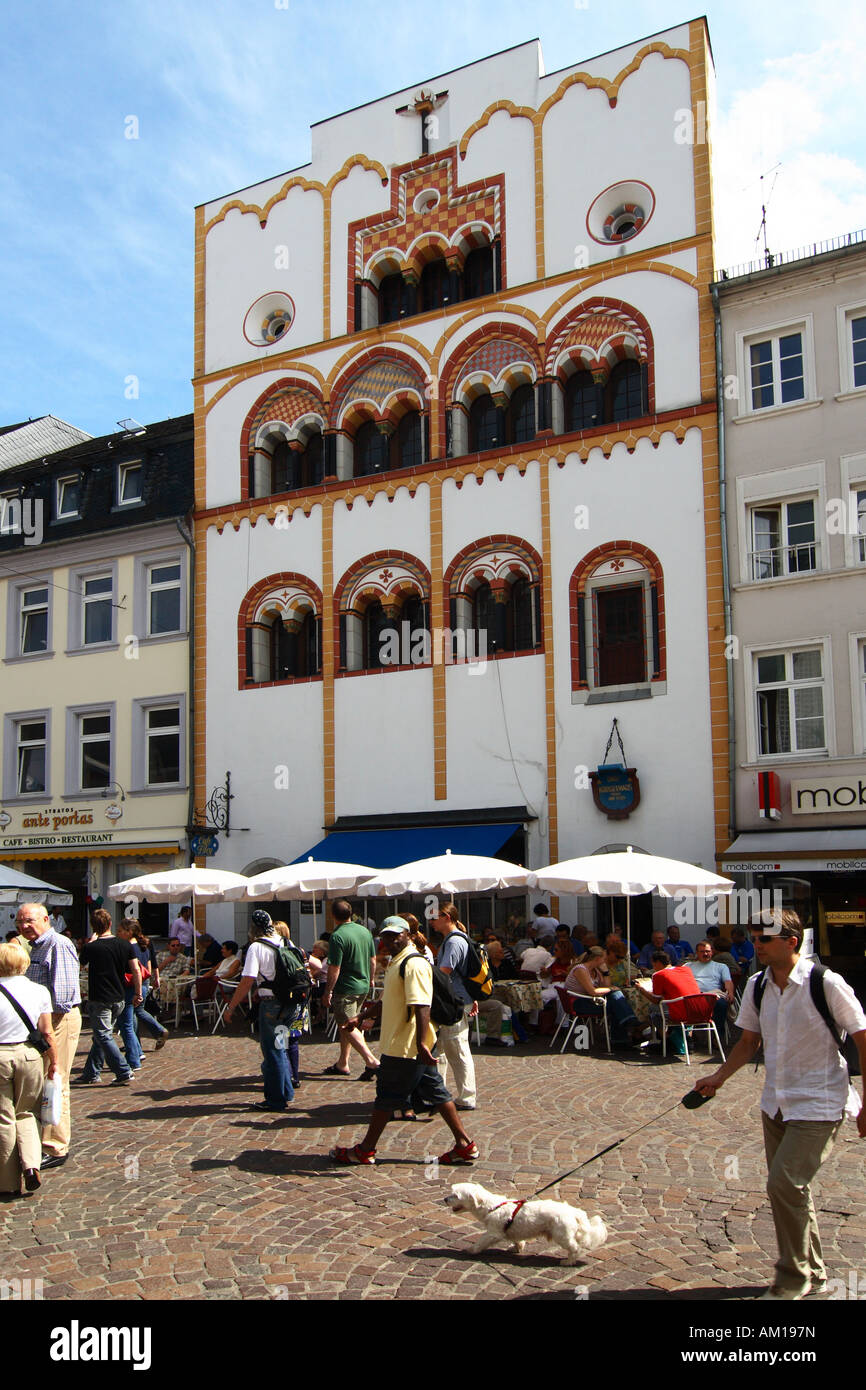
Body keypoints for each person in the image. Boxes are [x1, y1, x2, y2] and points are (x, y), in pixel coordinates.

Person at [696, 909, 866, 1301]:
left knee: (784, 1184)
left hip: (821, 1101)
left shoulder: (826, 982)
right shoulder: (757, 985)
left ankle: (792, 1279)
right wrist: (716, 1079)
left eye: (764, 939)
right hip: (775, 1102)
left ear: (791, 942)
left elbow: (861, 1038)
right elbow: (748, 1042)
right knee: (794, 1191)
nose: (756, 945)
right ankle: (816, 1274)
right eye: (754, 938)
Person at [329, 918, 479, 1166]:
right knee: (437, 1093)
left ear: (408, 935)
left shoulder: (414, 964)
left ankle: (365, 1150)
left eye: (394, 935)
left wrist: (421, 1044)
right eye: (385, 936)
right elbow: (389, 1000)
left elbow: (422, 1004)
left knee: (386, 1097)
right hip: (406, 1044)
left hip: (406, 1046)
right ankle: (464, 1145)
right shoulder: (397, 962)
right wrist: (361, 1017)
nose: (388, 940)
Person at [19, 901, 82, 1169]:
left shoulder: (58, 944)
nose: (24, 926)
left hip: (58, 1021)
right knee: (46, 1081)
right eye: (20, 921)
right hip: (43, 1024)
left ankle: (56, 1147)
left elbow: (63, 997)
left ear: (46, 919)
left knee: (57, 1082)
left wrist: (46, 1032)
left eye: (30, 921)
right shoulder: (35, 946)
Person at [0, 941, 58, 1197]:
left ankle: (7, 1181)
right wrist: (53, 1061)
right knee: (26, 1112)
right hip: (30, 1055)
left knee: (4, 1118)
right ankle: (32, 1164)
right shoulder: (39, 991)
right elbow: (47, 1032)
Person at [223, 910, 295, 1111]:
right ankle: (286, 1092)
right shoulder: (286, 942)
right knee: (281, 1046)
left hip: (271, 1005)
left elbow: (247, 980)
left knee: (272, 1051)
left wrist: (231, 1007)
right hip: (289, 1004)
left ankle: (275, 1099)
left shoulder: (257, 946)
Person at [76, 909, 141, 1086]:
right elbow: (135, 970)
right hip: (119, 996)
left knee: (103, 1035)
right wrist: (138, 992)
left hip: (100, 997)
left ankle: (123, 1070)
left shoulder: (91, 947)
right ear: (110, 924)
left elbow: (80, 966)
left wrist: (91, 942)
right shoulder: (124, 944)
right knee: (100, 1036)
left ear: (93, 927)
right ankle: (91, 1072)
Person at [322, 899, 379, 1079]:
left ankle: (371, 1061)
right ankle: (343, 1063)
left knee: (347, 1024)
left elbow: (334, 968)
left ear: (333, 916)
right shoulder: (364, 931)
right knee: (347, 1024)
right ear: (350, 913)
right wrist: (370, 979)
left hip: (345, 987)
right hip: (362, 986)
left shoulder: (337, 936)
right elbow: (373, 959)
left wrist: (328, 991)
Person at [433, 902, 478, 1109]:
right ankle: (437, 1092)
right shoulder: (455, 939)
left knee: (458, 1048)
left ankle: (467, 1096)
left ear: (447, 918)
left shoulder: (453, 942)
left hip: (454, 1002)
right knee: (441, 1047)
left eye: (435, 917)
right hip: (458, 999)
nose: (431, 921)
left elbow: (445, 973)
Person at [563, 946, 642, 1047]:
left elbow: (605, 986)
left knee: (615, 1001)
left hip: (589, 1000)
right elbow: (593, 991)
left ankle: (625, 1028)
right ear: (597, 959)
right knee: (616, 1003)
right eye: (604, 959)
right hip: (578, 1003)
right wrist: (612, 989)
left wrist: (605, 972)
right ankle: (624, 1031)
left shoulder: (595, 970)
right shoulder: (580, 970)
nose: (605, 961)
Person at [637, 951, 701, 1058]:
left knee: (654, 1010)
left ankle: (666, 1040)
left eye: (653, 964)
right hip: (698, 1010)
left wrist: (641, 990)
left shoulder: (658, 974)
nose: (653, 967)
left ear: (657, 963)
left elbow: (655, 1000)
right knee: (667, 1008)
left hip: (680, 1013)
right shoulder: (686, 969)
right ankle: (687, 1039)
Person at [119, 920, 168, 1051]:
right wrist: (155, 977)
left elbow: (135, 968)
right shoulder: (145, 944)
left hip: (133, 983)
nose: (118, 934)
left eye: (120, 931)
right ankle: (136, 1043)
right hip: (144, 981)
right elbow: (152, 962)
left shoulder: (129, 947)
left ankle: (141, 1042)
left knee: (135, 1012)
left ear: (130, 931)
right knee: (137, 1011)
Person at [687, 939, 734, 1037]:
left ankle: (717, 1037)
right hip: (693, 997)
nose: (705, 954)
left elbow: (728, 981)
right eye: (702, 951)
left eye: (707, 951)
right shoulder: (688, 966)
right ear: (697, 953)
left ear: (712, 952)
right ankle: (687, 1036)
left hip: (713, 996)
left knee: (721, 1004)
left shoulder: (721, 966)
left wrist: (730, 993)